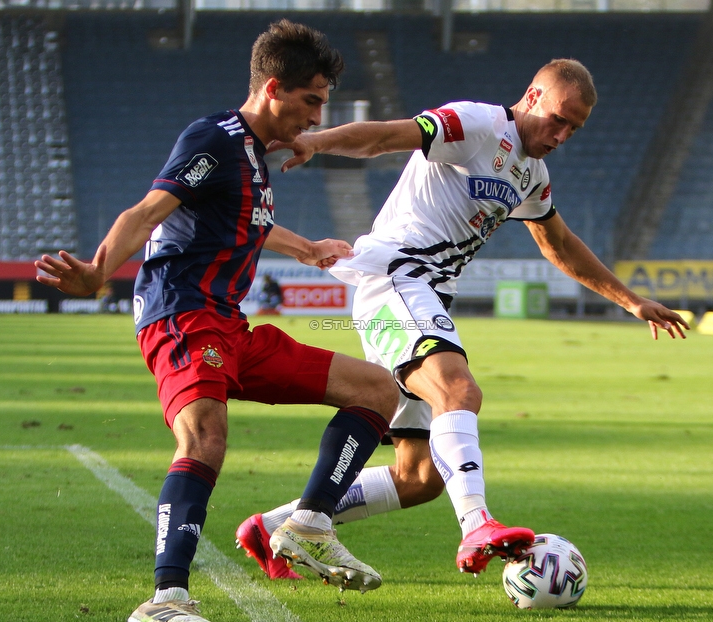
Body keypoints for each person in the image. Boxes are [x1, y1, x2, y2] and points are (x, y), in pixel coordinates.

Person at [235, 59, 689, 583]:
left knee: (420, 476)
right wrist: (319, 142)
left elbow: (559, 244)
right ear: (532, 95)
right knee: (458, 390)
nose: (561, 135)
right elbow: (386, 137)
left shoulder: (532, 175)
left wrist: (631, 301)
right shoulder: (475, 124)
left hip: (421, 294)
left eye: (574, 129)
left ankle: (276, 526)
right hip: (398, 276)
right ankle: (476, 524)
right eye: (558, 119)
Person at [35, 20, 400, 622]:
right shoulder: (215, 138)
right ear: (274, 89)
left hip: (231, 325)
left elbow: (244, 223)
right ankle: (165, 597)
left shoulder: (254, 159)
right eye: (311, 101)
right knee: (205, 436)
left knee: (378, 389)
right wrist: (99, 271)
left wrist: (307, 249)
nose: (316, 117)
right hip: (181, 314)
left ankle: (309, 522)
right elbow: (147, 210)